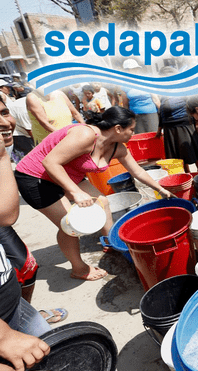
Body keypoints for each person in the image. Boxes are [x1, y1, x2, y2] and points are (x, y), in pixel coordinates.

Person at [14, 106, 173, 281]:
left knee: (102, 202)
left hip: (66, 175)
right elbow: (50, 162)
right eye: (131, 130)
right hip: (35, 177)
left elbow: (138, 172)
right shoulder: (85, 134)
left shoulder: (118, 148)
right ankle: (79, 269)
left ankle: (111, 242)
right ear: (118, 129)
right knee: (69, 224)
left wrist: (161, 189)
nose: (132, 134)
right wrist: (75, 193)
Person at [0, 95, 51, 370]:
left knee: (27, 268)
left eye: (5, 112)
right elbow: (7, 214)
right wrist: (3, 335)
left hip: (12, 306)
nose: (6, 122)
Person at [155, 67, 198, 173]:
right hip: (169, 127)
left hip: (185, 124)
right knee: (178, 155)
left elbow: (195, 106)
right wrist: (159, 129)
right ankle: (187, 174)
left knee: (194, 150)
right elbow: (161, 112)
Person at [117, 59, 160, 134]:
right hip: (135, 115)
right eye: (129, 70)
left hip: (151, 113)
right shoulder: (124, 85)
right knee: (141, 137)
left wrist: (163, 112)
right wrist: (125, 118)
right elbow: (125, 104)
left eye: (135, 69)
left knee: (154, 135)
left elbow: (155, 99)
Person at [4, 98, 35, 163]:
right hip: (18, 133)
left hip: (22, 128)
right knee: (26, 156)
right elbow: (29, 130)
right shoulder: (23, 110)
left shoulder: (31, 101)